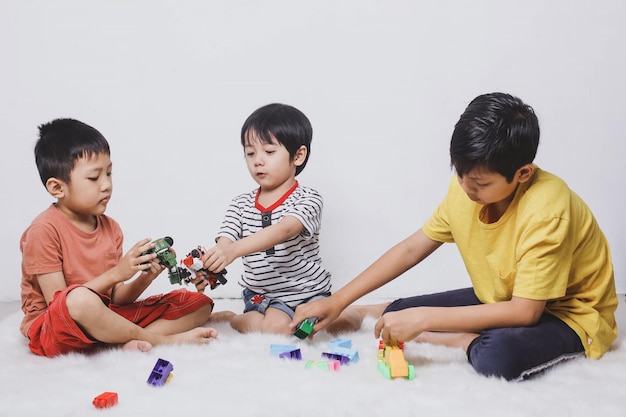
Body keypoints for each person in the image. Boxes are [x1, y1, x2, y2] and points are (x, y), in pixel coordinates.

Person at [291, 92, 618, 381]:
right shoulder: (466, 190)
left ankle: (461, 338)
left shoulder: (547, 209)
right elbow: (411, 249)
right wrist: (339, 300)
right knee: (399, 314)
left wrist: (428, 322)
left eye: (480, 182)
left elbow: (526, 312)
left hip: (568, 315)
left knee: (498, 357)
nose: (466, 187)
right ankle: (373, 311)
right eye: (459, 173)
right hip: (504, 296)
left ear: (522, 174)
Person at [20, 118, 218, 358]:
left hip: (104, 314)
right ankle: (159, 340)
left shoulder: (111, 228)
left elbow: (117, 299)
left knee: (199, 304)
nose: (106, 185)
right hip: (55, 328)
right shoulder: (43, 230)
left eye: (109, 173)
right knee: (79, 300)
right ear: (57, 188)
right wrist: (118, 272)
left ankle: (118, 340)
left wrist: (145, 275)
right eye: (94, 178)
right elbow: (60, 305)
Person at [199, 103, 362, 335]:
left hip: (310, 291)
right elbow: (226, 240)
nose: (258, 161)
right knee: (281, 330)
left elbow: (285, 229)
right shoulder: (240, 203)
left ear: (298, 155)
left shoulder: (309, 199)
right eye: (250, 153)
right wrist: (216, 258)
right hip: (265, 295)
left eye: (269, 152)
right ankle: (233, 319)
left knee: (342, 325)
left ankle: (361, 311)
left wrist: (234, 250)